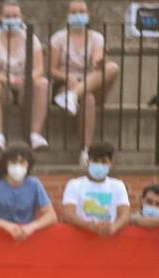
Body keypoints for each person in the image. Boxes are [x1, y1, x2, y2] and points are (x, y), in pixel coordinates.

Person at [49, 0, 120, 166]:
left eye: (81, 12)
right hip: (65, 82)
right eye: (73, 12)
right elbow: (52, 69)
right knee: (88, 98)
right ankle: (85, 150)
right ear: (68, 15)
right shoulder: (58, 38)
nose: (77, 16)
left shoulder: (96, 37)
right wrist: (69, 78)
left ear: (88, 15)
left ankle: (73, 96)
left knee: (112, 68)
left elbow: (96, 62)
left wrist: (99, 63)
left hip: (90, 81)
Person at [0, 0, 50, 151]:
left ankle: (35, 135)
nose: (11, 19)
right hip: (4, 88)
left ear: (21, 17)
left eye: (15, 16)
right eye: (7, 16)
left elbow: (39, 68)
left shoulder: (31, 39)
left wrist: (26, 79)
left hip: (26, 87)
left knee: (43, 83)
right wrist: (8, 80)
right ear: (0, 17)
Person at [0, 143, 57, 240]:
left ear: (28, 164)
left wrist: (32, 227)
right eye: (13, 162)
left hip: (25, 236)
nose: (17, 166)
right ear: (6, 164)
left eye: (22, 162)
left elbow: (51, 215)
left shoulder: (34, 184)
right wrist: (5, 225)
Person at [60, 141, 130, 237]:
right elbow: (68, 214)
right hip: (81, 240)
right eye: (95, 161)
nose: (99, 165)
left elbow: (125, 215)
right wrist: (90, 226)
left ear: (111, 163)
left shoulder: (118, 185)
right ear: (88, 162)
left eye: (104, 161)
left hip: (109, 242)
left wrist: (113, 227)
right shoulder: (74, 185)